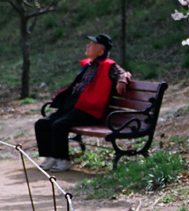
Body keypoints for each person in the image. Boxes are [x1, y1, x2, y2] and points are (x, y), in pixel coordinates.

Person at [35, 34, 131, 172]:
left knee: (59, 125)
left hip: (89, 109)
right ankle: (51, 156)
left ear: (101, 51)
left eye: (92, 44)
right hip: (74, 105)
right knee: (42, 123)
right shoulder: (90, 64)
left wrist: (123, 79)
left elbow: (123, 73)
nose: (88, 46)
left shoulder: (109, 65)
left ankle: (63, 160)